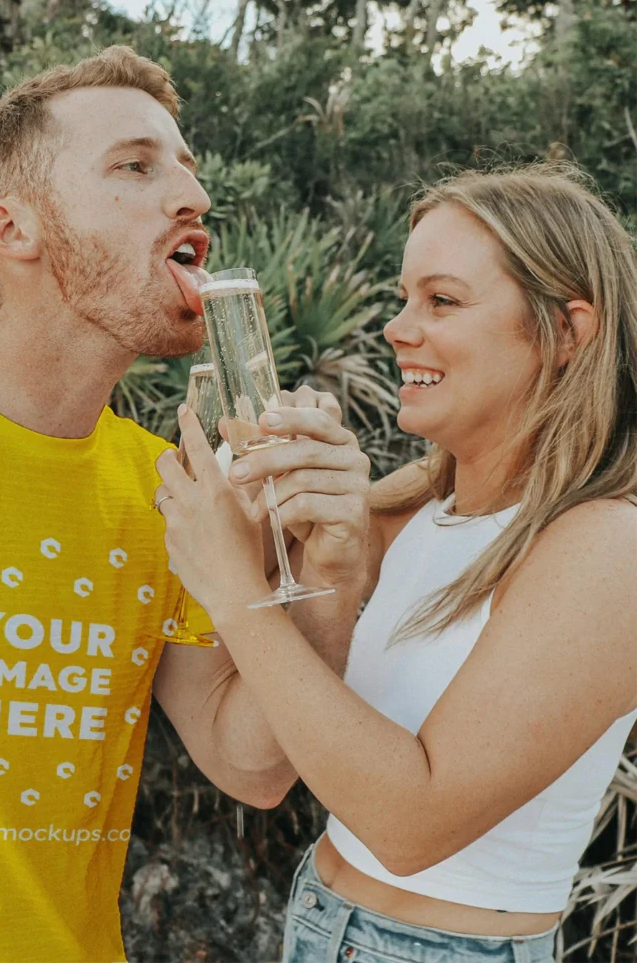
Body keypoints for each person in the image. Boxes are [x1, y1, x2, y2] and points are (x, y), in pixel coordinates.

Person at [0, 45, 371, 963]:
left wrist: (333, 571)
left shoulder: (169, 490)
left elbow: (251, 765)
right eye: (136, 167)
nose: (192, 197)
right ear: (11, 228)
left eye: (187, 168)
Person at [158, 165, 637, 963]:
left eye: (441, 300)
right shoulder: (419, 501)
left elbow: (411, 824)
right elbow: (253, 758)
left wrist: (236, 589)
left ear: (567, 333)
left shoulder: (607, 544)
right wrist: (311, 550)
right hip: (318, 914)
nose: (397, 328)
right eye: (405, 296)